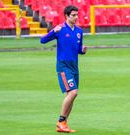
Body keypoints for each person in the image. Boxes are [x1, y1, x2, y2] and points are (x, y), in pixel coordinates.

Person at [40, 5, 87, 133]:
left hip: (74, 66)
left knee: (71, 95)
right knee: (73, 92)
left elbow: (78, 49)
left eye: (77, 15)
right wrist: (53, 31)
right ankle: (60, 121)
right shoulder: (60, 29)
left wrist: (82, 51)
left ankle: (64, 124)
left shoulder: (79, 31)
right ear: (66, 16)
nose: (76, 17)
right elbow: (42, 40)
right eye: (73, 15)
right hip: (63, 66)